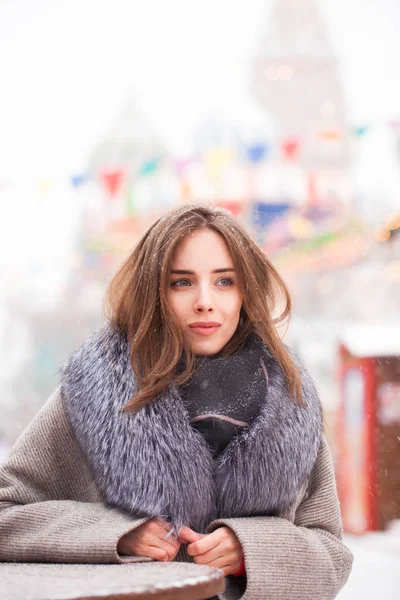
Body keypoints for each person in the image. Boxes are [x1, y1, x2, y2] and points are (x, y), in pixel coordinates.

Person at [0, 204, 353, 599]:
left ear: (246, 291)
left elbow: (332, 554)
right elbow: (5, 513)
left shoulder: (289, 398)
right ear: (154, 291)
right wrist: (118, 534)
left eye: (224, 282)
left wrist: (251, 549)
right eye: (182, 283)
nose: (204, 301)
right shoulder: (95, 391)